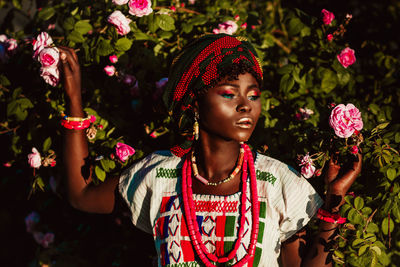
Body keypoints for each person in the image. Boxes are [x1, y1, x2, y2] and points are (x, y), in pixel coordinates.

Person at [59, 34, 361, 266]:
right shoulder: (159, 175)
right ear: (194, 104)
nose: (246, 105)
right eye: (229, 94)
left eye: (253, 95)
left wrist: (332, 205)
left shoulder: (277, 182)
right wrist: (73, 100)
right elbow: (82, 195)